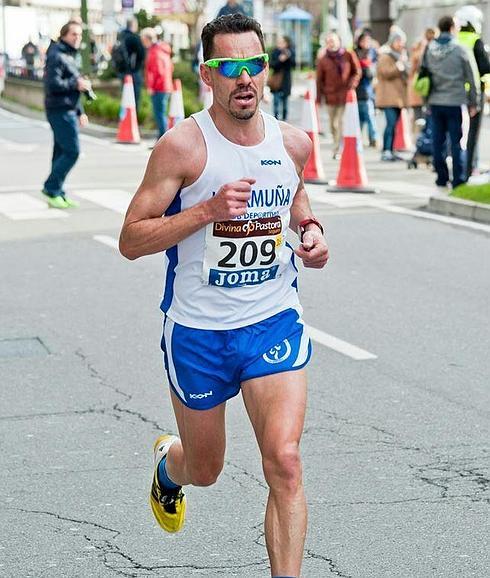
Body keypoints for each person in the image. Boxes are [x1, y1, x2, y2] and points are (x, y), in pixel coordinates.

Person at [119, 13, 329, 578]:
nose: (245, 79)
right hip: (199, 332)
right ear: (207, 76)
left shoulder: (292, 142)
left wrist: (310, 233)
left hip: (272, 320)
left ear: (266, 70)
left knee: (284, 462)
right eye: (230, 67)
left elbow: (296, 194)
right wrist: (206, 212)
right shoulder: (182, 148)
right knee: (206, 468)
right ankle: (170, 467)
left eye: (254, 65)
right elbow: (131, 240)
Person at [42, 20, 91, 209]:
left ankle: (57, 193)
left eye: (79, 35)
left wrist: (80, 111)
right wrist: (76, 84)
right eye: (73, 35)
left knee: (61, 151)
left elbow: (73, 85)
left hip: (68, 108)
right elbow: (52, 85)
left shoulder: (69, 54)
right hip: (59, 109)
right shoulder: (57, 55)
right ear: (64, 36)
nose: (77, 38)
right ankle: (51, 187)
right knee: (72, 151)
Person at [425, 15, 478, 189]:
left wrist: (426, 100)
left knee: (437, 141)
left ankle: (441, 177)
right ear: (452, 27)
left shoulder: (430, 48)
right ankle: (459, 179)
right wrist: (473, 101)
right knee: (457, 142)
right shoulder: (461, 49)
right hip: (456, 101)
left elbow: (423, 76)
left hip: (435, 101)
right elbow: (472, 77)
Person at [455, 5, 490, 179]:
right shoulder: (475, 40)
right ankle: (469, 170)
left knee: (457, 135)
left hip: (455, 94)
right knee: (472, 136)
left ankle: (459, 169)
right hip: (473, 95)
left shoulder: (455, 40)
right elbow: (485, 68)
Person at [316, 32, 361, 159]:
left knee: (341, 122)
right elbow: (319, 80)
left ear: (339, 42)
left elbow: (357, 71)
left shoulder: (348, 54)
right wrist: (319, 97)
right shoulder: (323, 59)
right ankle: (337, 145)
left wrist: (352, 85)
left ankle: (338, 149)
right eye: (329, 41)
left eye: (333, 41)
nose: (332, 43)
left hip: (345, 94)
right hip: (330, 96)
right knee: (332, 124)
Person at [375, 28, 409, 161]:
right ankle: (386, 150)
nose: (401, 44)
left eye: (402, 41)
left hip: (397, 98)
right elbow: (384, 72)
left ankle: (391, 149)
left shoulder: (399, 56)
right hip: (388, 97)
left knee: (394, 125)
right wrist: (398, 67)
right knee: (390, 124)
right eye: (399, 41)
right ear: (393, 41)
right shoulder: (385, 56)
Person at [141, 27, 174, 140]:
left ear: (147, 39)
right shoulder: (162, 50)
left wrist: (151, 86)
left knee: (159, 114)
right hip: (165, 86)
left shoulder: (154, 52)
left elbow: (155, 71)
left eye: (143, 39)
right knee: (161, 113)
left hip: (159, 87)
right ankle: (163, 138)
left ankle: (163, 139)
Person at [354, 32, 378, 147]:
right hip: (358, 91)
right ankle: (359, 139)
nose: (366, 44)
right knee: (362, 117)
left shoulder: (372, 53)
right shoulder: (355, 54)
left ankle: (372, 138)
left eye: (368, 41)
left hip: (368, 91)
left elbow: (373, 73)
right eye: (363, 41)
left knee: (368, 116)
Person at [118, 17, 146, 111]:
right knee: (135, 98)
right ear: (134, 25)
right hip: (133, 72)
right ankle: (134, 120)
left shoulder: (120, 36)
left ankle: (124, 118)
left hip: (121, 71)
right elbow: (142, 54)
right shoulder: (134, 38)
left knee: (125, 97)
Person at [269, 35, 295, 121]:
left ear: (286, 43)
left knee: (285, 103)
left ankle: (284, 119)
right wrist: (280, 60)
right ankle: (275, 119)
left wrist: (288, 57)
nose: (280, 44)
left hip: (286, 81)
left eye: (282, 42)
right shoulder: (275, 52)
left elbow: (293, 65)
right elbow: (271, 65)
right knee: (276, 102)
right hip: (276, 81)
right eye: (279, 42)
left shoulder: (290, 52)